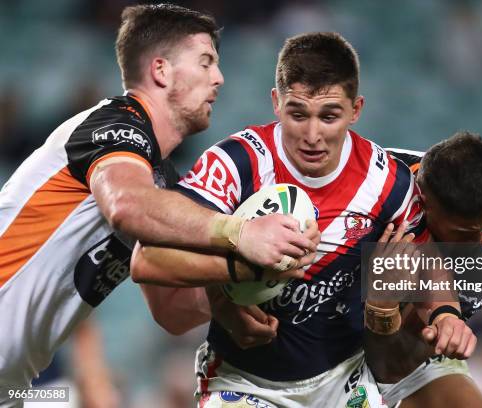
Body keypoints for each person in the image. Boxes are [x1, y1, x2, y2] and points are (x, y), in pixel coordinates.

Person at [131, 32, 475, 407]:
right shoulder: (236, 164)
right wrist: (232, 276)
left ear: (356, 109)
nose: (313, 136)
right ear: (276, 103)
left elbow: (425, 259)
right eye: (298, 114)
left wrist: (445, 312)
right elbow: (148, 258)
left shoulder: (388, 182)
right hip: (245, 384)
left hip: (345, 383)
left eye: (329, 116)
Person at [0, 5, 316, 407]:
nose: (218, 78)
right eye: (205, 62)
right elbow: (125, 205)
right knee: (76, 398)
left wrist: (235, 288)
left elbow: (173, 311)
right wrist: (239, 232)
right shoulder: (113, 125)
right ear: (161, 71)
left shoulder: (160, 181)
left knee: (65, 398)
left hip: (13, 386)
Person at [368, 135, 482, 408]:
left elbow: (390, 367)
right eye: (464, 232)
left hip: (392, 358)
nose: (479, 241)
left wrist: (381, 308)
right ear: (425, 201)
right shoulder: (372, 177)